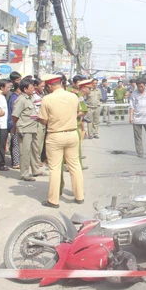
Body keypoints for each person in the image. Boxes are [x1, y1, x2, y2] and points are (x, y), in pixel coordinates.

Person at [37, 74, 84, 208]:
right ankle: (79, 196)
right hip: (72, 133)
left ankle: (53, 200)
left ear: (50, 86)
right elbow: (78, 112)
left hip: (55, 135)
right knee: (75, 166)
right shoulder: (73, 96)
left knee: (55, 168)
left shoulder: (47, 99)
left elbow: (44, 120)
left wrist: (40, 119)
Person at [12, 78, 45, 182]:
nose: (33, 89)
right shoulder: (21, 100)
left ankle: (35, 170)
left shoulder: (30, 98)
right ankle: (24, 174)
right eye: (31, 88)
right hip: (25, 129)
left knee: (35, 150)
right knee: (25, 152)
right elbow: (15, 116)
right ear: (25, 89)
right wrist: (17, 126)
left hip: (33, 127)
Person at [0, 79, 11, 171]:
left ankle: (0, 162)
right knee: (0, 145)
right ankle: (0, 163)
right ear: (1, 87)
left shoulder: (3, 97)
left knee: (2, 145)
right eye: (7, 87)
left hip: (3, 124)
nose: (8, 89)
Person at [7, 85, 21, 169]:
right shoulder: (15, 98)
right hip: (13, 123)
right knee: (16, 144)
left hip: (13, 122)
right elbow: (14, 113)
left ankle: (15, 161)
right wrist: (14, 124)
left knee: (15, 143)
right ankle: (15, 162)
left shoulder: (14, 97)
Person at [33, 78, 45, 168]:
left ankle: (38, 159)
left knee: (40, 141)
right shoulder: (34, 96)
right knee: (37, 142)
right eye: (41, 86)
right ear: (35, 86)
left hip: (42, 121)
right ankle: (37, 161)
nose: (43, 88)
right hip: (37, 121)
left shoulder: (41, 95)